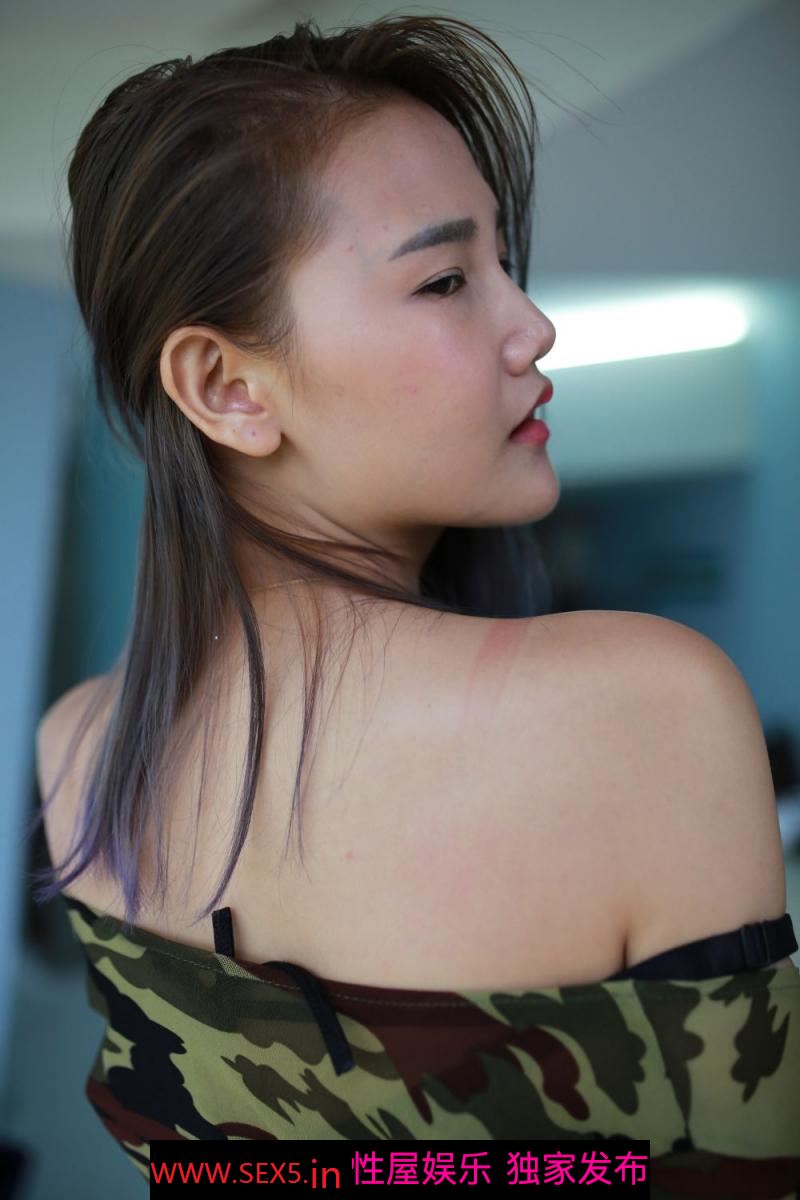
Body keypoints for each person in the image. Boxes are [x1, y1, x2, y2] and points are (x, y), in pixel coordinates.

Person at [30, 12, 799, 1193]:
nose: (532, 326)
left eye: (503, 263)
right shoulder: (643, 706)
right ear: (227, 388)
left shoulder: (81, 751)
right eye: (444, 279)